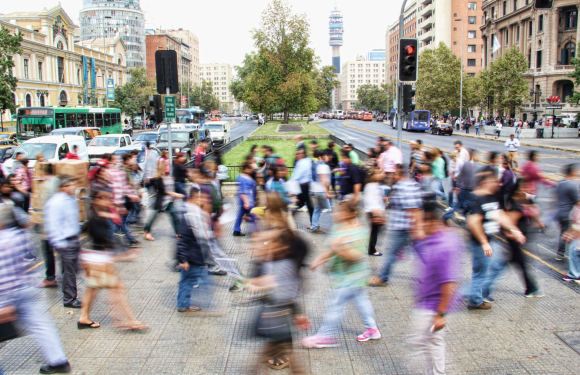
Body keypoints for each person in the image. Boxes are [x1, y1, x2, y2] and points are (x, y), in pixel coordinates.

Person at [0, 205, 72, 374]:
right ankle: (58, 360)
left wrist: (5, 303)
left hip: (8, 293)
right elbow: (31, 259)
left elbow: (2, 276)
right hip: (26, 288)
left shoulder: (2, 241)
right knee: (42, 325)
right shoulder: (21, 236)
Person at [302, 201, 381, 348]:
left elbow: (356, 256)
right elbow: (330, 248)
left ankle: (326, 336)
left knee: (335, 305)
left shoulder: (359, 231)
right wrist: (318, 261)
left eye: (339, 212)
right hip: (344, 275)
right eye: (335, 211)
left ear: (350, 214)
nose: (334, 214)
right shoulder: (338, 228)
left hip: (351, 276)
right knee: (362, 301)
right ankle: (372, 329)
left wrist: (340, 247)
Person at [78, 189, 148, 331]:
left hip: (94, 259)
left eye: (109, 198)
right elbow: (105, 241)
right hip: (99, 261)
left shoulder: (100, 216)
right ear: (96, 200)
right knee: (117, 289)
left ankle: (84, 318)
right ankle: (129, 321)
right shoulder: (98, 218)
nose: (109, 201)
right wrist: (124, 255)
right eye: (105, 198)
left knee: (92, 289)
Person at [409, 201, 463, 375]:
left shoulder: (444, 246)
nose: (419, 226)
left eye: (421, 222)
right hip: (429, 302)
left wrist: (441, 314)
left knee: (417, 344)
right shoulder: (437, 238)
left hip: (433, 306)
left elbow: (450, 283)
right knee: (434, 343)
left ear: (431, 222)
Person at [250, 226, 310, 371]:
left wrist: (262, 286)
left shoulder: (286, 265)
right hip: (270, 319)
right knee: (270, 353)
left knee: (282, 355)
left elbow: (287, 293)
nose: (259, 246)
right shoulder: (265, 264)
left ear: (280, 247)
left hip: (278, 320)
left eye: (266, 242)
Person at [466, 171, 526, 310]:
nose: (498, 184)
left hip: (490, 240)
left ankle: (478, 295)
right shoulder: (479, 199)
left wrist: (515, 231)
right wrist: (484, 242)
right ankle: (473, 300)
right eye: (494, 182)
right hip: (481, 242)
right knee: (480, 273)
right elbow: (473, 222)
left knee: (497, 266)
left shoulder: (491, 198)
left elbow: (500, 215)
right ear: (486, 183)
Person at [370, 164, 424, 287]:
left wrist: (417, 229)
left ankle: (383, 278)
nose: (392, 175)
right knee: (419, 252)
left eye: (394, 173)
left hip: (404, 228)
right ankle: (432, 275)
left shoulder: (406, 187)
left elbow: (413, 209)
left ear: (399, 174)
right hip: (402, 227)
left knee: (392, 253)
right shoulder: (404, 185)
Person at [176, 186, 218, 313]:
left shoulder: (196, 213)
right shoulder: (189, 215)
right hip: (191, 255)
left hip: (195, 254)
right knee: (188, 281)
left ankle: (183, 304)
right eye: (200, 198)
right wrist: (183, 259)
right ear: (193, 198)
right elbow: (183, 239)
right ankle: (183, 305)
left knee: (188, 280)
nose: (203, 200)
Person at [44, 175, 82, 308]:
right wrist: (60, 243)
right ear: (62, 187)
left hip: (73, 239)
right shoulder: (56, 202)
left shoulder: (70, 199)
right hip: (65, 241)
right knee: (69, 272)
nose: (72, 187)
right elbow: (53, 224)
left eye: (72, 185)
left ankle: (70, 295)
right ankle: (69, 299)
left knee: (72, 270)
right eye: (69, 185)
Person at [504, 179, 544, 298]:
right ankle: (531, 288)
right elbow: (508, 224)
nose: (526, 189)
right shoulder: (512, 203)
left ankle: (531, 288)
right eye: (523, 187)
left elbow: (534, 212)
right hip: (515, 239)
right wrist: (514, 234)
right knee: (521, 263)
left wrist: (538, 220)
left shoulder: (526, 199)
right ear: (518, 188)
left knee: (516, 262)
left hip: (522, 237)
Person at [143, 161, 184, 241]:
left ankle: (178, 232)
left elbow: (173, 187)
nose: (168, 167)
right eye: (166, 166)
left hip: (169, 202)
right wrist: (174, 194)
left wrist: (178, 193)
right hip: (161, 201)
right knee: (154, 217)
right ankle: (146, 231)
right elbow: (161, 190)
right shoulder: (158, 177)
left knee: (175, 215)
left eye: (168, 165)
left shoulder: (170, 177)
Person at [36, 165, 60, 288]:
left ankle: (50, 278)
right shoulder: (58, 182)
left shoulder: (46, 185)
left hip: (49, 225)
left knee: (47, 250)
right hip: (58, 224)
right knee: (59, 249)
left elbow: (45, 207)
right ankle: (65, 275)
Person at [555, 164, 579, 261]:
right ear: (572, 172)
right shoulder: (572, 186)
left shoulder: (561, 183)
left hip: (560, 211)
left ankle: (561, 253)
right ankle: (563, 254)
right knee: (570, 234)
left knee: (564, 233)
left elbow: (556, 197)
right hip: (568, 214)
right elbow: (578, 202)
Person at [364, 169, 386, 256]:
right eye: (378, 173)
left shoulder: (375, 184)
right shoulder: (371, 185)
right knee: (375, 231)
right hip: (373, 211)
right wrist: (375, 213)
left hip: (376, 211)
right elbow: (370, 200)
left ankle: (372, 247)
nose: (382, 174)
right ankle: (372, 249)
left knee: (376, 231)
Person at [290, 148, 314, 225]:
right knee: (304, 204)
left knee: (302, 204)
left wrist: (288, 185)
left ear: (302, 155)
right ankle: (313, 223)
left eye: (298, 154)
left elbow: (296, 176)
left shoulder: (301, 163)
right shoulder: (308, 161)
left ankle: (313, 223)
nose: (296, 156)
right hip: (304, 186)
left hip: (302, 187)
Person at [310, 150, 332, 234]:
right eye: (326, 155)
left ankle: (314, 226)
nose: (328, 157)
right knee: (325, 209)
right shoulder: (322, 166)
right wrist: (327, 192)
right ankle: (314, 226)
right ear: (322, 156)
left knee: (318, 209)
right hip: (321, 191)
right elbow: (323, 180)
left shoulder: (319, 165)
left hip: (318, 190)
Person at [233, 161, 257, 236]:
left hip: (246, 200)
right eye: (250, 168)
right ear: (246, 169)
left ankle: (236, 230)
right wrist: (246, 202)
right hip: (247, 200)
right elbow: (243, 191)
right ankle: (254, 231)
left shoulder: (243, 177)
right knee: (252, 215)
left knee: (241, 215)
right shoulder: (244, 178)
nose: (252, 170)